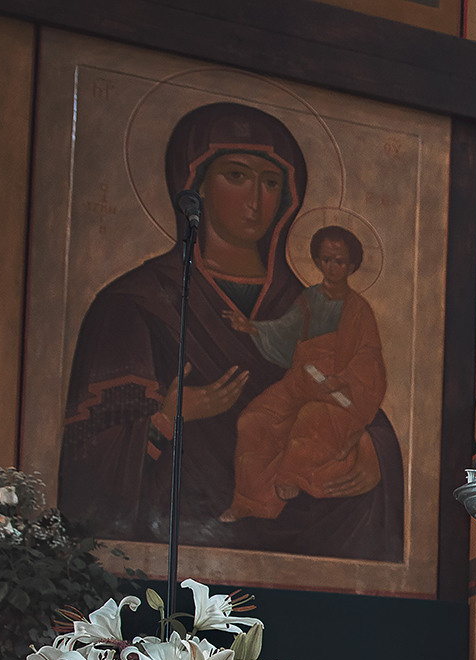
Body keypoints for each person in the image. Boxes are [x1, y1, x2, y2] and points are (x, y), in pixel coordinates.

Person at [57, 102, 402, 560]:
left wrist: (377, 454)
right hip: (172, 558)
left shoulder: (314, 306)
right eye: (236, 176)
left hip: (311, 544)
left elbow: (355, 385)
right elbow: (87, 461)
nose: (256, 199)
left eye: (271, 182)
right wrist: (166, 417)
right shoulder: (133, 304)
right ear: (194, 186)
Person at [220, 226, 387, 522]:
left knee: (310, 418)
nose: (331, 267)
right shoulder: (309, 299)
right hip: (301, 381)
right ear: (317, 261)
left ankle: (289, 478)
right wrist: (253, 327)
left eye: (338, 261)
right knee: (252, 419)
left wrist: (344, 377)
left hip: (340, 393)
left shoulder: (359, 310)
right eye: (326, 260)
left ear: (350, 266)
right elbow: (286, 331)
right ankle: (246, 502)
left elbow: (369, 356)